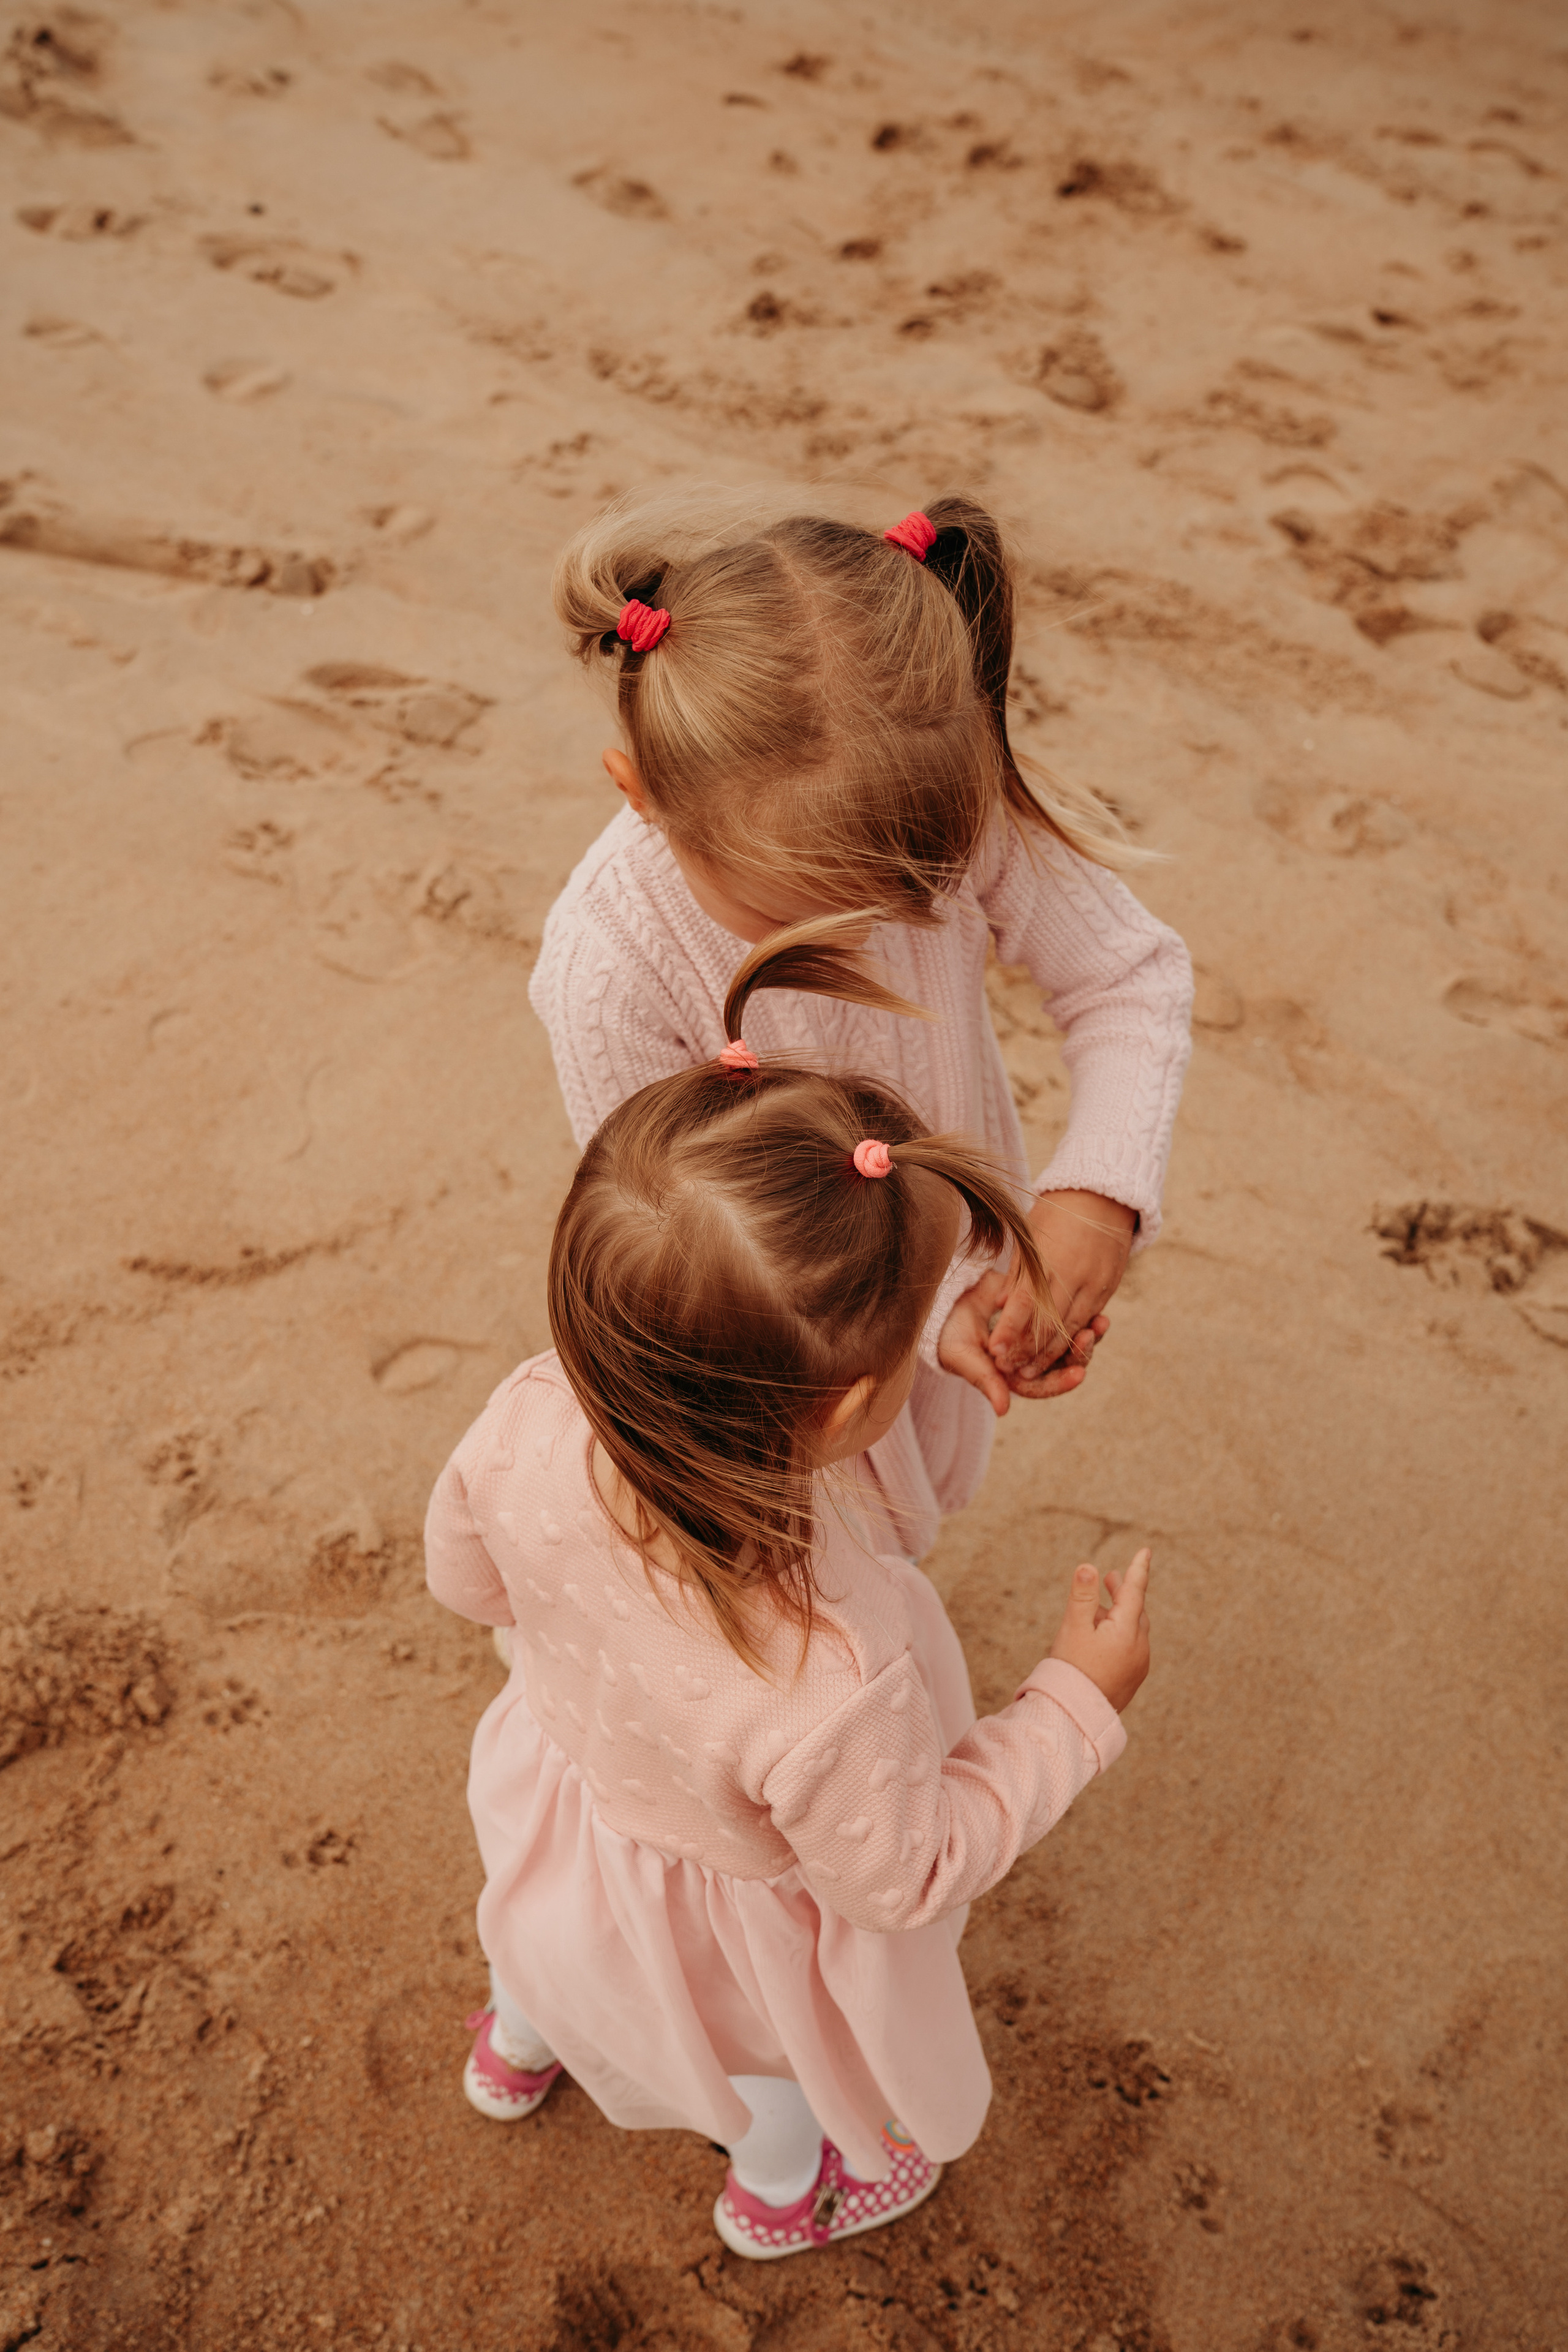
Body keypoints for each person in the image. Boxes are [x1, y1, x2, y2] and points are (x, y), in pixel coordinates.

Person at [426, 927, 1153, 2259]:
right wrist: (1069, 1705)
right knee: (756, 2069)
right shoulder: (836, 1673)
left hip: (567, 1807)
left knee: (545, 1950)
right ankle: (777, 2192)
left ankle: (515, 2045)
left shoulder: (532, 1412)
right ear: (850, 1406)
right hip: (725, 1923)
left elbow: (465, 1581)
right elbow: (901, 1875)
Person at [530, 490, 1193, 1559]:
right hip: (768, 1357)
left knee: (894, 1535)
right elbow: (686, 1250)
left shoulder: (940, 802)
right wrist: (921, 1322)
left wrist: (1096, 1200)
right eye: (798, 913)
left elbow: (1130, 976)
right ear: (642, 793)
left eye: (897, 902)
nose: (855, 940)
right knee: (775, 1582)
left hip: (926, 1286)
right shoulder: (610, 971)